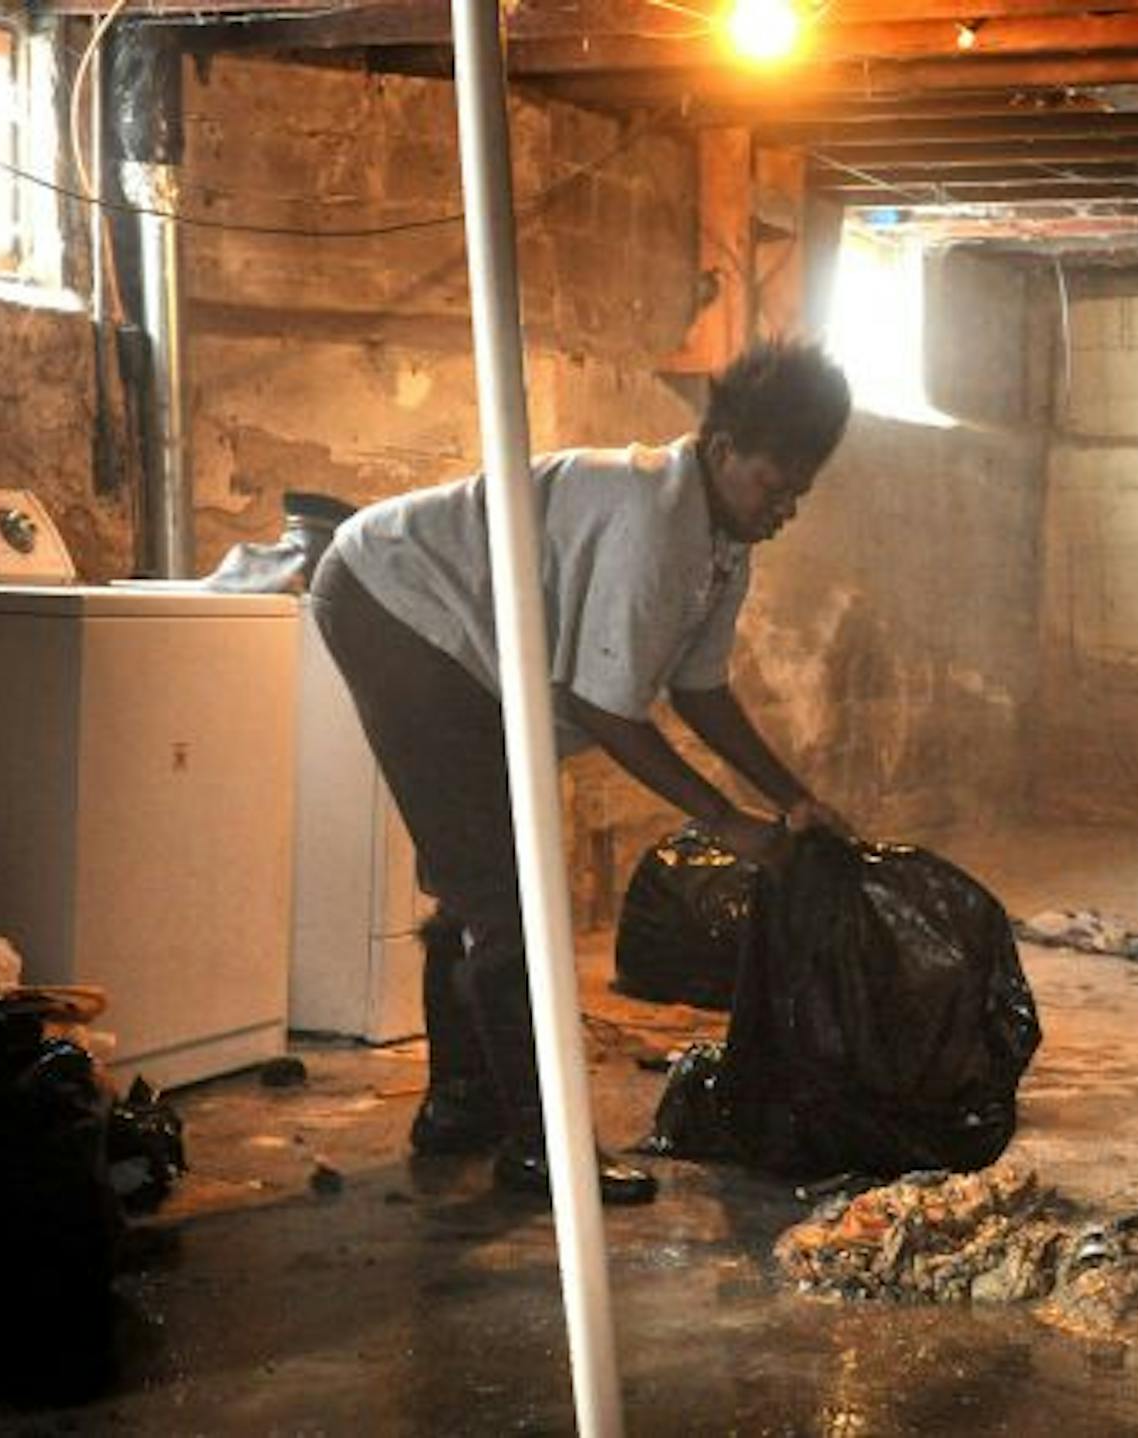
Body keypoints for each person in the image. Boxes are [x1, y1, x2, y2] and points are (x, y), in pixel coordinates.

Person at [312, 338, 856, 1206]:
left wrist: (792, 796)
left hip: (457, 643)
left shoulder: (725, 536)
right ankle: (541, 1147)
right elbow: (607, 708)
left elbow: (700, 686)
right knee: (508, 892)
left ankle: (461, 1104)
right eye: (773, 484)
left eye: (799, 492)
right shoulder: (651, 517)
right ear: (722, 451)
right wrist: (730, 823)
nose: (784, 507)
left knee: (480, 880)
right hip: (395, 605)